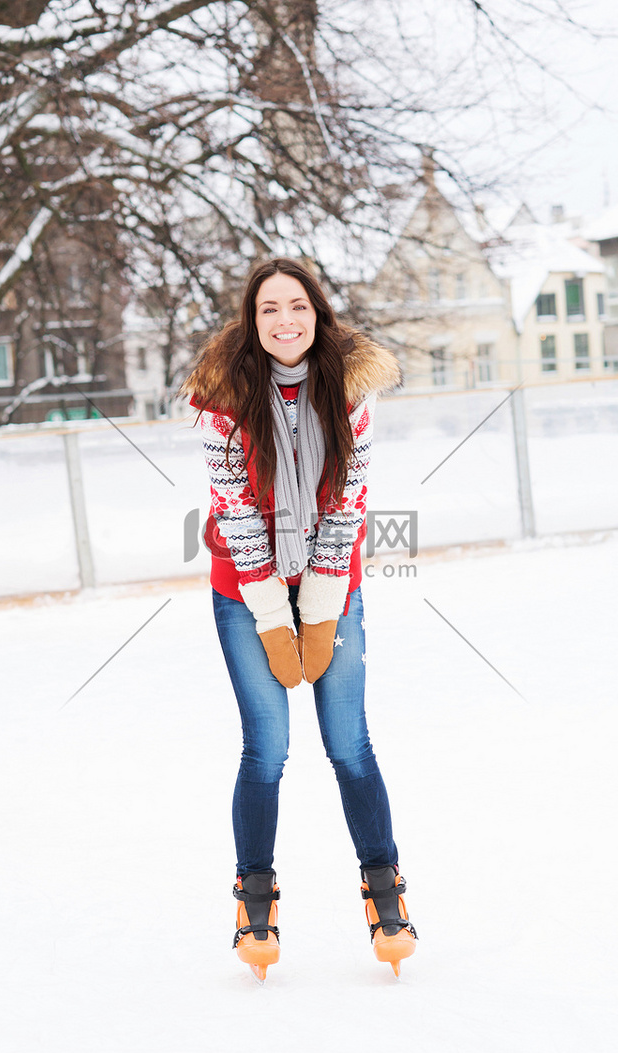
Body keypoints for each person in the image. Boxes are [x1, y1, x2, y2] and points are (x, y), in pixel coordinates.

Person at [184, 257, 416, 981]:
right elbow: (238, 515)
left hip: (331, 578)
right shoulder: (222, 395)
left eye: (298, 307)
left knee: (349, 744)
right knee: (268, 748)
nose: (285, 321)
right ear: (251, 324)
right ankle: (255, 897)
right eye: (268, 310)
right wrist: (272, 619)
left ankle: (384, 889)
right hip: (245, 583)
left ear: (318, 314)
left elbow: (348, 504)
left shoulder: (349, 387)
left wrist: (317, 609)